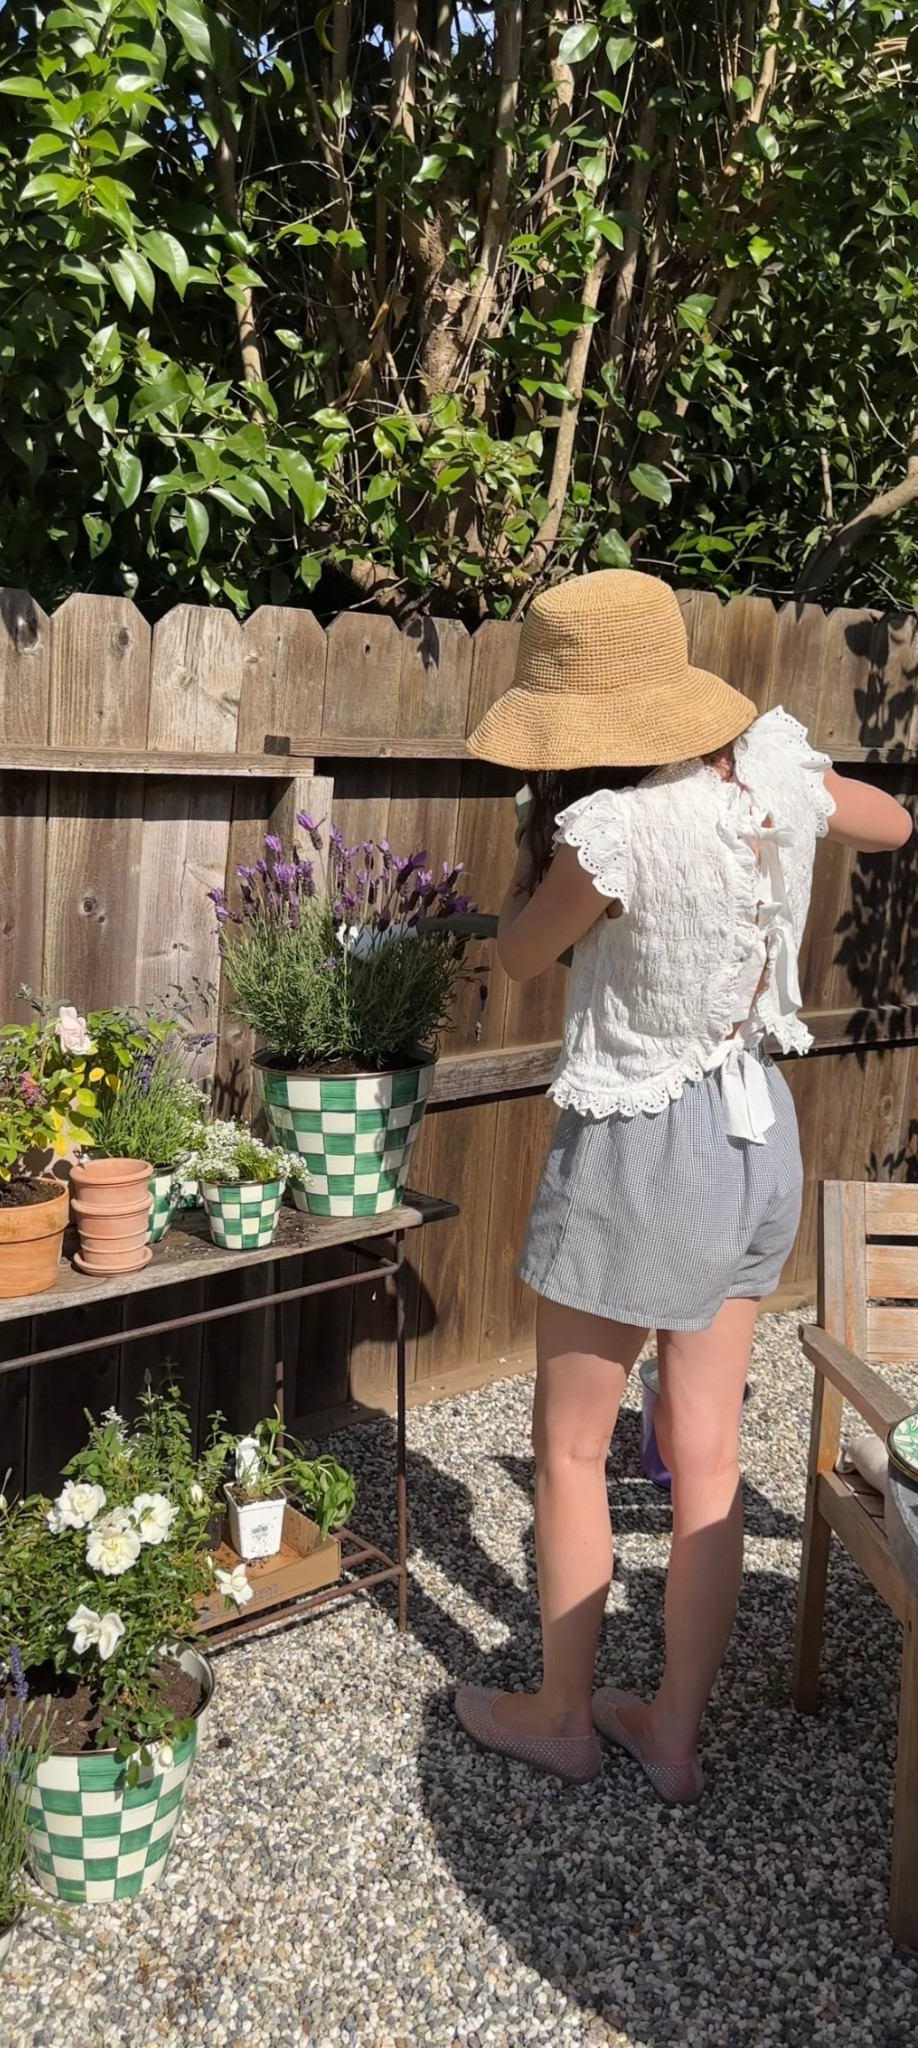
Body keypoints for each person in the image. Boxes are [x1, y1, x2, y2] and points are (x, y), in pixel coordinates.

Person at [454, 568, 912, 1804]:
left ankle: (556, 1711)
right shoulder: (766, 781)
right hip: (758, 1133)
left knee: (567, 1450)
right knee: (705, 1459)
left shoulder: (609, 835)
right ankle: (668, 1728)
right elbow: (889, 820)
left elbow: (516, 954)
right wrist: (792, 787)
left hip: (641, 1147)